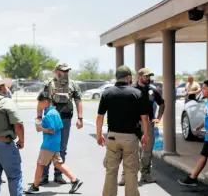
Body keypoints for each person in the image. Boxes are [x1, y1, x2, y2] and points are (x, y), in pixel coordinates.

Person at [96, 65, 149, 196]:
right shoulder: (137, 93)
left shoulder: (107, 93)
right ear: (129, 77)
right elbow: (144, 118)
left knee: (111, 171)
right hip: (130, 138)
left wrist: (99, 135)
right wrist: (146, 135)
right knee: (131, 172)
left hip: (113, 137)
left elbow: (100, 117)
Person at [24, 92, 83, 194]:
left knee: (40, 164)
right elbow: (59, 127)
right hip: (55, 143)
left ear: (46, 102)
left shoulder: (49, 115)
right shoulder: (55, 112)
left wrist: (40, 128)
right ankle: (75, 180)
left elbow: (51, 130)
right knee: (58, 164)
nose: (39, 105)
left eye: (40, 103)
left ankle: (35, 186)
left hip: (48, 144)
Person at [37, 63, 83, 185]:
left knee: (62, 148)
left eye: (67, 71)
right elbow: (41, 101)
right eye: (64, 71)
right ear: (57, 72)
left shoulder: (73, 84)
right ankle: (44, 176)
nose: (66, 73)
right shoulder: (49, 84)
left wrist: (80, 118)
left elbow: (78, 101)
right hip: (50, 121)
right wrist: (39, 117)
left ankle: (58, 175)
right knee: (47, 147)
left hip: (65, 120)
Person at [178, 79, 208, 187]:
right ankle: (193, 178)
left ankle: (193, 178)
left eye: (204, 88)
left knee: (203, 156)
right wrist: (200, 126)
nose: (202, 90)